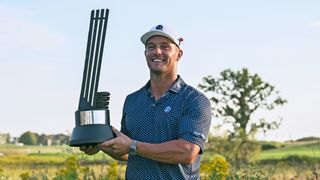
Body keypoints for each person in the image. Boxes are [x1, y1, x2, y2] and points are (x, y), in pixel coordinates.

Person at [80, 24, 212, 179]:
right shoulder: (132, 101)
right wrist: (100, 143)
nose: (157, 51)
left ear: (179, 54)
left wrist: (132, 146)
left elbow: (187, 152)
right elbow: (127, 152)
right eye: (151, 47)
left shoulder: (194, 100)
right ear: (145, 53)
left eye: (165, 47)